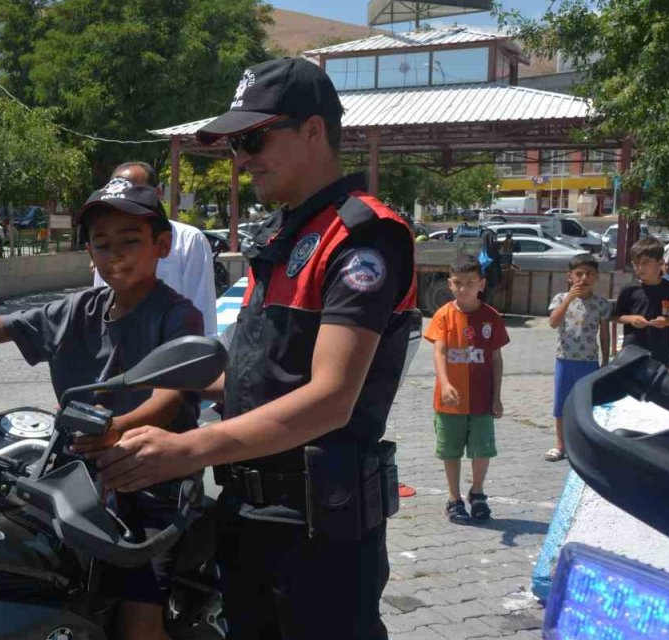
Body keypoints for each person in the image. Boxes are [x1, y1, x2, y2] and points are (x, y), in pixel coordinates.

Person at [94, 57, 418, 638]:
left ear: (313, 130)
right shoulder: (285, 234)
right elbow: (259, 375)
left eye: (253, 138)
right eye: (234, 144)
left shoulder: (362, 236)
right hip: (248, 514)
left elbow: (329, 399)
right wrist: (149, 390)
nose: (240, 158)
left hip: (318, 529)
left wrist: (189, 447)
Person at [0, 179, 203, 640]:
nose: (114, 253)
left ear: (162, 245)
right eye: (102, 244)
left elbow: (169, 397)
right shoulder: (78, 309)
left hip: (150, 482)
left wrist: (116, 429)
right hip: (74, 478)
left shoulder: (177, 315)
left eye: (129, 241)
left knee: (138, 625)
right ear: (89, 255)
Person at [424, 255, 508, 524]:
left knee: (482, 449)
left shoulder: (491, 317)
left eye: (470, 283)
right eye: (458, 283)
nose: (463, 289)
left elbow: (496, 359)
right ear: (449, 284)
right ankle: (454, 498)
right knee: (450, 451)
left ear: (481, 284)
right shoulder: (443, 315)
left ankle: (478, 493)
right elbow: (439, 353)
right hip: (450, 401)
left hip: (482, 400)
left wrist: (497, 397)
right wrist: (446, 383)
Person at [93, 161, 218, 336]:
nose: (124, 199)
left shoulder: (189, 239)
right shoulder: (103, 246)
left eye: (135, 192)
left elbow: (202, 307)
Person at [545, 254, 611, 462]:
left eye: (589, 274)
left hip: (589, 361)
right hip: (564, 359)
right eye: (579, 274)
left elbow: (604, 333)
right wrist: (568, 300)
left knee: (586, 403)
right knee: (561, 403)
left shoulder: (601, 303)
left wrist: (606, 360)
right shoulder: (560, 298)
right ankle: (560, 445)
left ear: (596, 277)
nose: (584, 278)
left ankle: (586, 443)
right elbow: (553, 322)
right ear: (570, 277)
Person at [613, 236, 669, 367]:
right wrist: (631, 319)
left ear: (660, 263)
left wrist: (668, 321)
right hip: (632, 355)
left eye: (645, 263)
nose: (639, 268)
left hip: (662, 355)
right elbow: (615, 316)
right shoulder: (628, 289)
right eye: (635, 263)